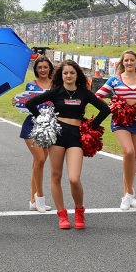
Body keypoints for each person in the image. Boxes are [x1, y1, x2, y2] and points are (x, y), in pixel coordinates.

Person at [27, 61, 111, 230]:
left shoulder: (84, 93)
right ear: (61, 75)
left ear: (77, 75)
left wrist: (92, 127)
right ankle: (62, 214)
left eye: (72, 72)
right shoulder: (56, 91)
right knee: (56, 176)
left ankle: (79, 211)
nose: (69, 76)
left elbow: (105, 109)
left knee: (74, 179)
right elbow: (31, 103)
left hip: (76, 137)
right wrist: (44, 120)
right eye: (65, 73)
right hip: (57, 136)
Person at [95, 50, 136, 210]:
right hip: (120, 120)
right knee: (128, 152)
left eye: (132, 60)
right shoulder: (115, 79)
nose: (129, 63)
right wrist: (110, 107)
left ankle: (129, 195)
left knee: (133, 158)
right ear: (122, 63)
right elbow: (98, 95)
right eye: (126, 60)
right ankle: (128, 194)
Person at [19, 55, 54, 213]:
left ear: (50, 68)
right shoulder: (31, 85)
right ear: (36, 70)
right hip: (31, 125)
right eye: (39, 67)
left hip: (49, 126)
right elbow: (25, 104)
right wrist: (17, 102)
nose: (42, 70)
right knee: (40, 158)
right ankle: (40, 197)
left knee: (38, 162)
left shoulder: (56, 85)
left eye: (45, 67)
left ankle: (33, 199)